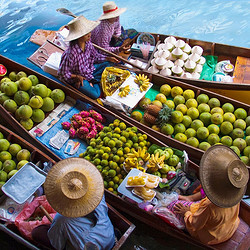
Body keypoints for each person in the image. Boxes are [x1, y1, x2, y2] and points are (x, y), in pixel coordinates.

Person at [170, 145, 249, 245]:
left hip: (211, 236)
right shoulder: (234, 196)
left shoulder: (209, 206)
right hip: (229, 227)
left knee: (173, 206)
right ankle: (190, 199)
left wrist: (186, 213)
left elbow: (194, 224)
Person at [32, 158, 115, 250]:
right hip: (109, 236)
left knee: (37, 233)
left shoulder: (61, 219)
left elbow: (57, 244)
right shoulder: (96, 191)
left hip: (92, 246)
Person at [58, 15, 118, 99]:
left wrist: (107, 58)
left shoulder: (88, 44)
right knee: (95, 95)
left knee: (109, 63)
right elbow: (62, 74)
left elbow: (95, 56)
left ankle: (95, 80)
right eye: (85, 33)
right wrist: (77, 77)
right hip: (80, 78)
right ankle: (96, 81)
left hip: (90, 70)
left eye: (89, 32)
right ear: (78, 36)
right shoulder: (71, 53)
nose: (89, 35)